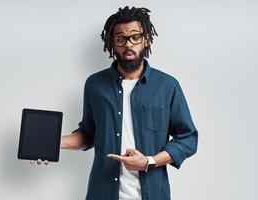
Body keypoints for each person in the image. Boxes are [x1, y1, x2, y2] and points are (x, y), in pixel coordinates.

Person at [31, 6, 198, 200]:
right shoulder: (95, 85)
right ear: (112, 43)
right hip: (102, 194)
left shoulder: (167, 86)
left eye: (135, 37)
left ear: (146, 39)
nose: (129, 44)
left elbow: (188, 138)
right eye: (121, 38)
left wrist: (148, 162)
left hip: (153, 194)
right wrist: (48, 144)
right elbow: (88, 134)